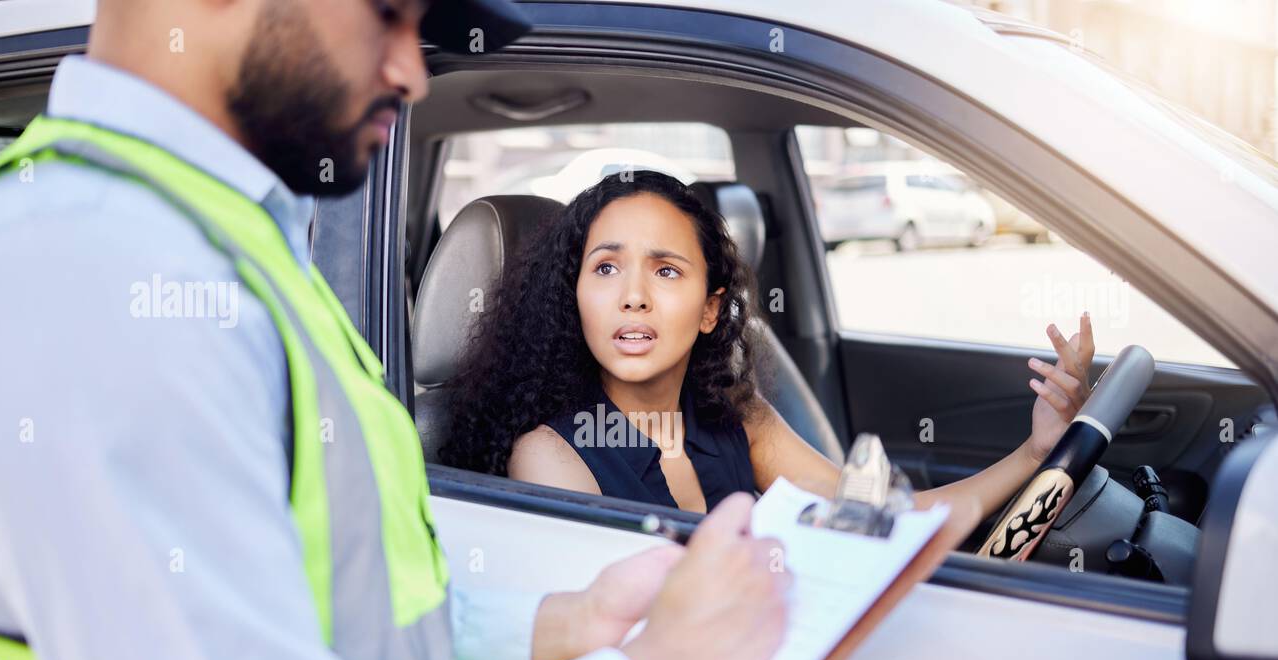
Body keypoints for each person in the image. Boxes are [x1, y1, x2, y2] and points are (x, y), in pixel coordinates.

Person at [0, 0, 791, 660]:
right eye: (389, 15)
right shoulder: (105, 276)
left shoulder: (218, 247)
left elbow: (324, 609)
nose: (411, 71)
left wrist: (564, 622)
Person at [442, 172, 1095, 521]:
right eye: (606, 268)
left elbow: (882, 514)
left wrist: (1036, 451)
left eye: (666, 270)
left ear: (709, 310)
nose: (633, 295)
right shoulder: (549, 455)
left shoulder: (736, 416)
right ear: (573, 296)